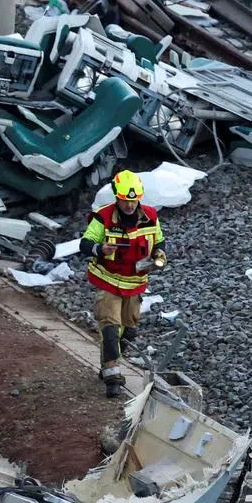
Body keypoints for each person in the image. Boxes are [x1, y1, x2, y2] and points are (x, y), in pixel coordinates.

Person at [79, 170, 164, 397]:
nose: (129, 205)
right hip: (108, 281)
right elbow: (85, 244)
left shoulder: (150, 216)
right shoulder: (103, 218)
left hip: (135, 284)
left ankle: (108, 363)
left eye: (133, 200)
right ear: (117, 197)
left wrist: (160, 254)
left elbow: (160, 241)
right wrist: (100, 249)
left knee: (129, 331)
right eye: (125, 201)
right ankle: (113, 378)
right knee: (110, 328)